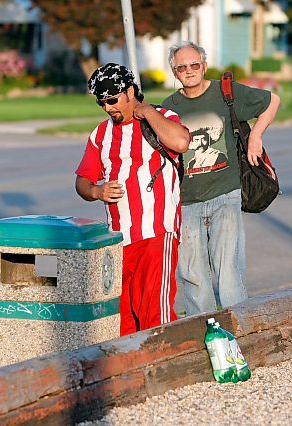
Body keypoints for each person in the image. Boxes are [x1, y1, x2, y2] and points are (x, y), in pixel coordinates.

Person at [161, 41, 280, 315]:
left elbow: (272, 101)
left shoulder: (225, 92)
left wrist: (257, 137)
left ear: (203, 65)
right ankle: (204, 332)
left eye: (194, 65)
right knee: (193, 276)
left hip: (225, 194)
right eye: (182, 67)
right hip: (186, 202)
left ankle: (239, 329)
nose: (189, 71)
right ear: (174, 72)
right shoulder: (169, 107)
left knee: (228, 272)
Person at [75, 63, 190, 336]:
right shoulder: (100, 134)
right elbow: (82, 181)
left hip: (155, 232)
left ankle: (160, 369)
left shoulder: (161, 116)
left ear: (129, 91)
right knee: (123, 318)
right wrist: (97, 192)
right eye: (101, 103)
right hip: (117, 239)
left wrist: (148, 110)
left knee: (155, 314)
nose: (108, 108)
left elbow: (181, 142)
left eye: (112, 100)